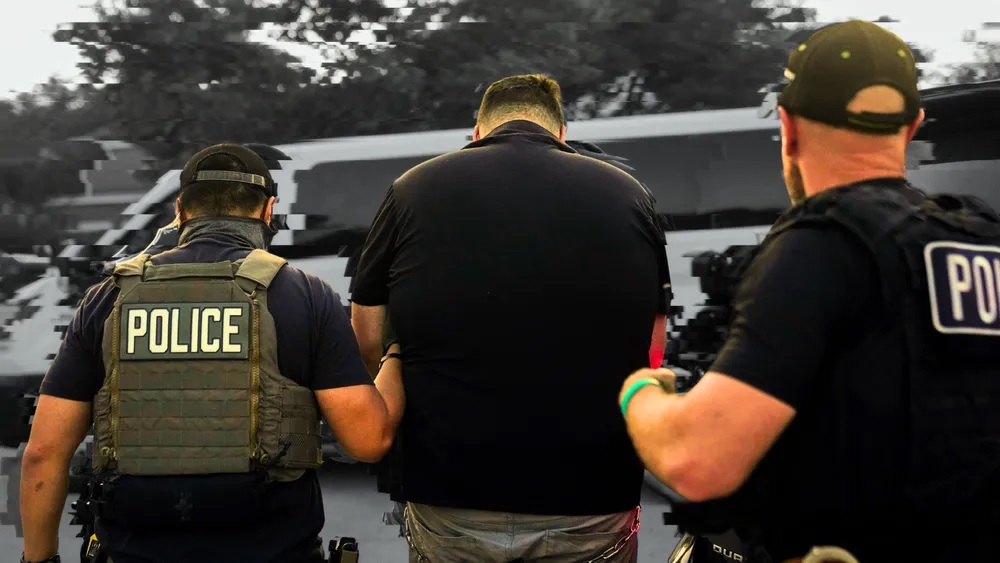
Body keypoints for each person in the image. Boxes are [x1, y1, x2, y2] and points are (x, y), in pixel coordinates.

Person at [619, 20, 1000, 562]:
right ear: (913, 126)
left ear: (789, 125)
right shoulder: (982, 238)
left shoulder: (826, 243)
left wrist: (639, 393)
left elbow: (696, 461)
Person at [18, 143, 403, 563]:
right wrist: (397, 353)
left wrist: (39, 559)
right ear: (268, 211)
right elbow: (367, 441)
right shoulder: (306, 294)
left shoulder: (106, 299)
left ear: (180, 211)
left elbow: (43, 453)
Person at [350, 73, 672, 562]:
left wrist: (392, 363)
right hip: (591, 491)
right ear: (562, 133)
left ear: (477, 132)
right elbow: (653, 343)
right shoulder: (629, 193)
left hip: (449, 489)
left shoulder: (412, 187)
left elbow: (366, 328)